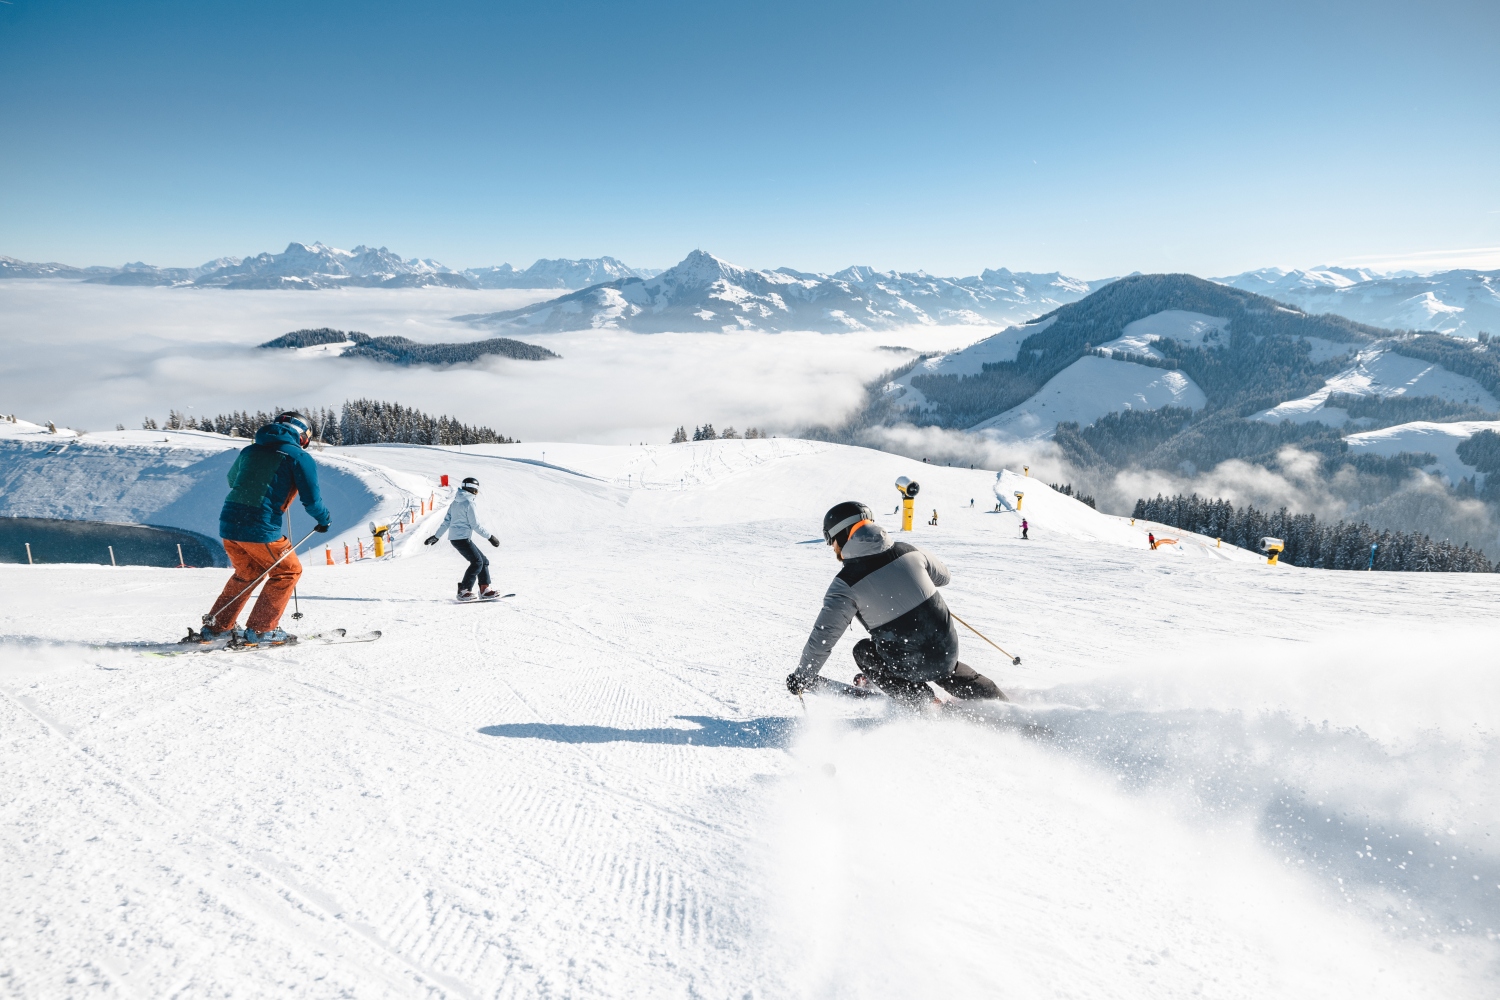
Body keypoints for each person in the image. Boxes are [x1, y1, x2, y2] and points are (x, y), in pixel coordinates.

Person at [786, 501, 1003, 707]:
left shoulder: (845, 584)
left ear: (842, 535)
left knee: (863, 651)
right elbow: (944, 577)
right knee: (943, 667)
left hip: (908, 664)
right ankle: (1001, 703)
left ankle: (927, 704)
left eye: (831, 540)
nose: (832, 547)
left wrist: (803, 676)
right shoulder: (908, 550)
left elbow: (823, 638)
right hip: (947, 651)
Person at [197, 412, 331, 646]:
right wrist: (324, 519)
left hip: (229, 523)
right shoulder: (298, 457)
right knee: (287, 571)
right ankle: (261, 630)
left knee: (247, 573)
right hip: (260, 527)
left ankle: (217, 628)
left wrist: (268, 485)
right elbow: (311, 500)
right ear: (303, 437)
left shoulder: (250, 451)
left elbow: (233, 480)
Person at [424, 476, 500, 600]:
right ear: (474, 489)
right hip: (462, 538)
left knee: (483, 561)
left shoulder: (455, 502)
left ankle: (484, 589)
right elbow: (475, 525)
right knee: (477, 562)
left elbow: (446, 522)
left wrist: (436, 536)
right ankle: (464, 591)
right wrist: (490, 537)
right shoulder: (469, 503)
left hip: (458, 538)